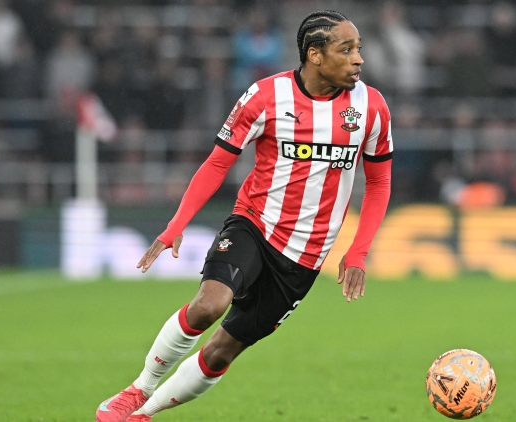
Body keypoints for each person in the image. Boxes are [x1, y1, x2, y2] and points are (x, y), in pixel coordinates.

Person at [95, 10, 393, 422]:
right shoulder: (266, 96)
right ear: (315, 55)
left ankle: (145, 413)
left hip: (305, 256)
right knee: (208, 305)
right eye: (346, 49)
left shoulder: (371, 107)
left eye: (358, 49)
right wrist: (175, 225)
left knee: (222, 350)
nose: (358, 59)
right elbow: (218, 163)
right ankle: (137, 391)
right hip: (255, 224)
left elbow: (379, 182)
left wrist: (358, 251)